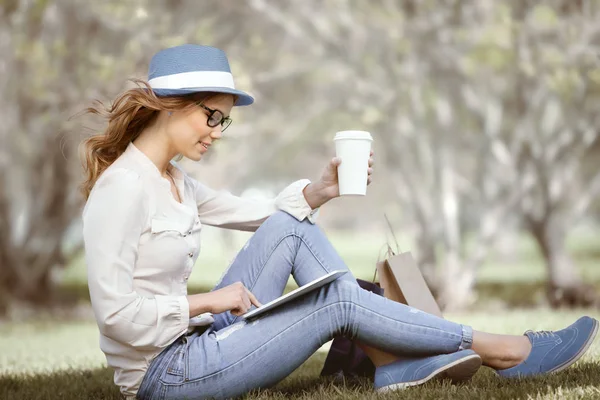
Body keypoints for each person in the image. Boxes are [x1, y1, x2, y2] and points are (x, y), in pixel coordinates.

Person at [80, 44, 598, 400]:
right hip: (166, 375)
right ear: (169, 106)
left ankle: (392, 362)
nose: (218, 131)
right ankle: (505, 350)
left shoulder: (175, 181)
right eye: (211, 116)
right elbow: (115, 316)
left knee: (294, 227)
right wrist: (210, 301)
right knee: (339, 298)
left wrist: (320, 191)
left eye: (224, 119)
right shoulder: (122, 189)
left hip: (196, 340)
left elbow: (264, 217)